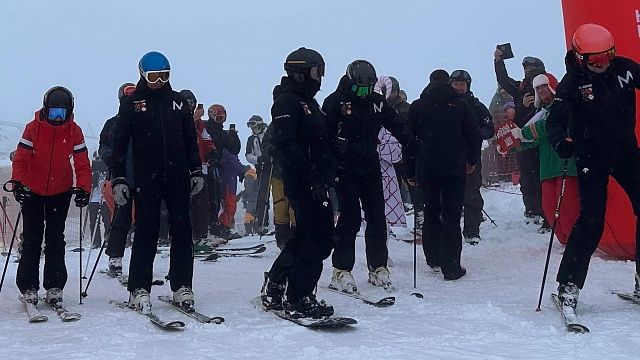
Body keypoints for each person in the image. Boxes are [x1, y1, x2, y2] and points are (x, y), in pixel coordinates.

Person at [546, 24, 640, 310]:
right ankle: (568, 286)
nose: (604, 64)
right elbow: (555, 121)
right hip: (591, 156)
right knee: (592, 220)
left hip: (625, 150)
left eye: (608, 55)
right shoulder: (572, 83)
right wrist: (561, 142)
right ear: (580, 58)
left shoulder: (623, 69)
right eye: (596, 60)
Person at [111, 51, 203, 313]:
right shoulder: (132, 103)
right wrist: (118, 177)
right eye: (154, 76)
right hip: (146, 177)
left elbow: (189, 140)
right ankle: (139, 287)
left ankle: (182, 285)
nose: (160, 81)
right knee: (146, 231)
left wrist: (195, 170)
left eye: (165, 76)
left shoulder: (178, 103)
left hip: (177, 176)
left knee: (183, 231)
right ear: (142, 75)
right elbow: (119, 144)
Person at [323, 60, 416, 293]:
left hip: (370, 166)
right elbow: (322, 135)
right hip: (345, 169)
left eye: (367, 89)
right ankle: (341, 269)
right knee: (351, 217)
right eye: (359, 89)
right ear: (351, 83)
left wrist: (411, 142)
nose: (363, 94)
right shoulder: (335, 102)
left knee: (377, 216)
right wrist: (333, 150)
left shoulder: (376, 102)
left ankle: (378, 267)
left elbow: (395, 124)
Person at [260, 47, 335, 318]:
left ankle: (278, 281)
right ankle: (299, 296)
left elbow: (317, 141)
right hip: (303, 181)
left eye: (322, 72)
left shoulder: (310, 103)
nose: (320, 78)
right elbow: (287, 145)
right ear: (301, 72)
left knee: (305, 235)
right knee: (320, 238)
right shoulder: (288, 102)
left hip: (317, 180)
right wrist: (311, 175)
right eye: (317, 72)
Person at [10, 86, 91, 306]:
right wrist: (18, 183)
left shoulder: (74, 131)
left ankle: (55, 285)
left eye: (61, 113)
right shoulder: (32, 128)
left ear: (69, 112)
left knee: (56, 239)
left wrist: (84, 187)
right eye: (54, 112)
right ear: (46, 109)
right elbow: (21, 159)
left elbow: (82, 163)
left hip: (60, 192)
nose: (57, 118)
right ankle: (28, 286)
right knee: (32, 239)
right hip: (32, 191)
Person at [406, 70, 481, 281]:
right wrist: (471, 160)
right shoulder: (459, 105)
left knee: (430, 211)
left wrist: (410, 171)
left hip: (426, 168)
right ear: (448, 83)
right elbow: (473, 135)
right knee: (451, 214)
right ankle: (451, 266)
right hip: (453, 168)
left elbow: (408, 140)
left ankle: (433, 258)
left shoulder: (418, 106)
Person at [510, 73, 579, 244]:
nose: (540, 90)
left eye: (543, 86)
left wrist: (522, 133)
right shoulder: (540, 113)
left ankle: (573, 241)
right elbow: (532, 139)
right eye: (537, 88)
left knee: (567, 207)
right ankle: (564, 240)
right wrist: (510, 146)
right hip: (547, 169)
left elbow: (544, 127)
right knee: (549, 208)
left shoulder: (564, 106)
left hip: (565, 165)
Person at [494, 48, 549, 230]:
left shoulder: (548, 86)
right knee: (527, 178)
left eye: (531, 68)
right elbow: (503, 80)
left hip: (544, 140)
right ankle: (532, 210)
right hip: (523, 139)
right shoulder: (519, 88)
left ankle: (546, 213)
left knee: (545, 177)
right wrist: (498, 61)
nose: (527, 71)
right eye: (525, 68)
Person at [450, 70, 495, 245]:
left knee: (472, 194)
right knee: (449, 196)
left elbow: (489, 127)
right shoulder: (444, 104)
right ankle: (449, 231)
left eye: (462, 84)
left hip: (471, 157)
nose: (458, 88)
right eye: (455, 84)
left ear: (468, 85)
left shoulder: (476, 106)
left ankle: (471, 231)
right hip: (448, 157)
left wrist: (475, 134)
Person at [99, 82, 136, 277]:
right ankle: (115, 256)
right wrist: (109, 157)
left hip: (145, 176)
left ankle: (141, 257)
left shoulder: (145, 120)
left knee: (145, 218)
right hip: (121, 176)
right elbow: (103, 145)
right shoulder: (113, 123)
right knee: (121, 218)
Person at [179, 90, 219, 251]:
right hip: (181, 167)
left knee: (202, 203)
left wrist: (212, 151)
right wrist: (193, 118)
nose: (190, 106)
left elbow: (206, 139)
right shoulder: (177, 118)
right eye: (187, 103)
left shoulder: (200, 123)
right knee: (183, 205)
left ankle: (200, 236)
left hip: (200, 167)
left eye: (192, 103)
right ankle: (182, 237)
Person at [205, 104, 242, 240]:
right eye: (218, 118)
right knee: (209, 199)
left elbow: (234, 149)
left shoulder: (222, 132)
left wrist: (233, 135)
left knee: (216, 199)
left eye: (222, 118)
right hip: (206, 167)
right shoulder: (206, 128)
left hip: (217, 169)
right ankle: (207, 228)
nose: (220, 121)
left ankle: (215, 228)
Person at [262, 121, 296, 249]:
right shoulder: (276, 123)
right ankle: (282, 240)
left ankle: (295, 238)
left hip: (297, 172)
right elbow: (266, 142)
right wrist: (270, 149)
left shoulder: (302, 118)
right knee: (281, 206)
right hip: (279, 171)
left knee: (295, 207)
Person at [245, 115, 270, 234]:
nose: (252, 128)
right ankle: (262, 223)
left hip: (274, 167)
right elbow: (248, 155)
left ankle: (283, 222)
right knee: (262, 195)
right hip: (262, 168)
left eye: (253, 125)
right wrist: (259, 159)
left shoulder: (269, 134)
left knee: (280, 194)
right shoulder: (251, 139)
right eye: (250, 126)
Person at [88, 151, 111, 248]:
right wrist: (94, 176)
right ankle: (95, 241)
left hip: (105, 198)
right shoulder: (92, 169)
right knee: (93, 221)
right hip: (94, 198)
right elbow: (90, 182)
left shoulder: (107, 168)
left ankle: (108, 240)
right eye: (96, 159)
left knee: (107, 220)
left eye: (100, 159)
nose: (98, 161)